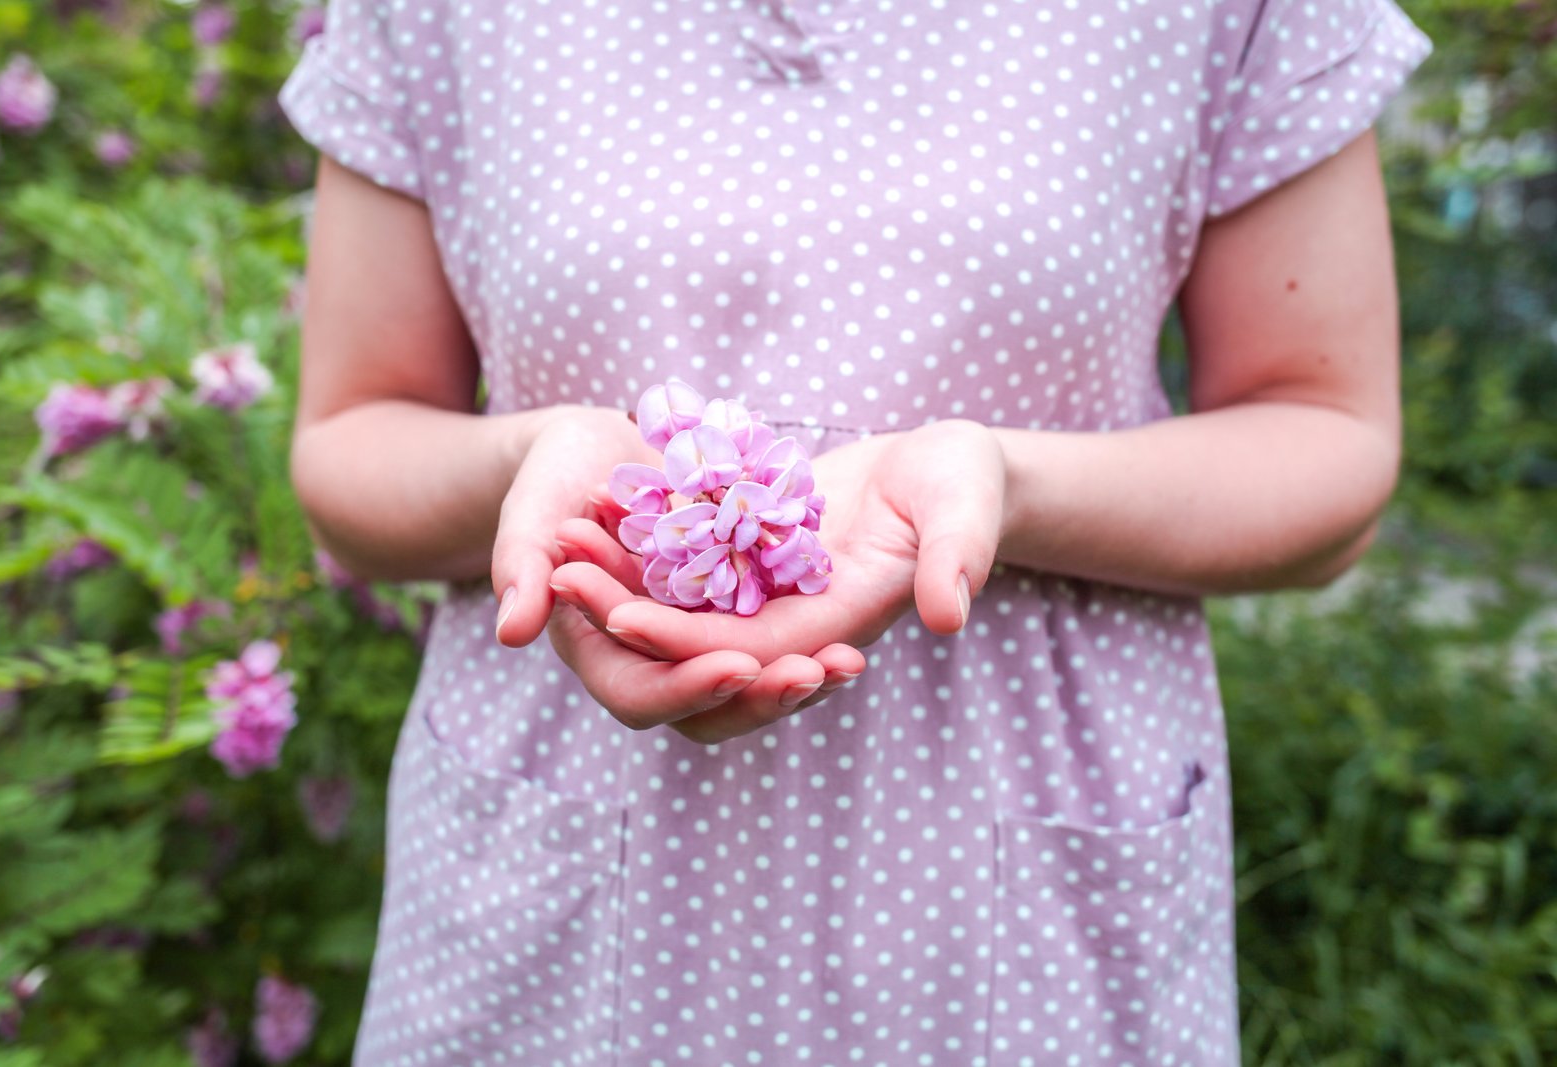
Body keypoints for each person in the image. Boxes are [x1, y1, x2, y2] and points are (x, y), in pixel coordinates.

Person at [279, 0, 1432, 1059]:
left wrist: (1000, 483)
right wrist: (533, 473)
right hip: (549, 884)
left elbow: (1324, 432)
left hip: (1028, 878)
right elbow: (351, 436)